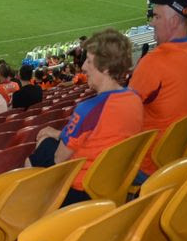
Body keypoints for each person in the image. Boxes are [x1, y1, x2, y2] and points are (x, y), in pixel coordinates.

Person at [29, 29, 143, 205]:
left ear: (105, 67)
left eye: (89, 61)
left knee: (40, 149)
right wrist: (58, 133)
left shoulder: (89, 109)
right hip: (111, 183)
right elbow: (101, 135)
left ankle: (33, 210)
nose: (83, 67)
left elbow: (59, 159)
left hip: (79, 192)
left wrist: (49, 137)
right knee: (49, 137)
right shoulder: (135, 99)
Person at [129, 0, 187, 175]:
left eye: (156, 17)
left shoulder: (153, 62)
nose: (152, 23)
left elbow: (122, 113)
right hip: (179, 160)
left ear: (174, 21)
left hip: (147, 167)